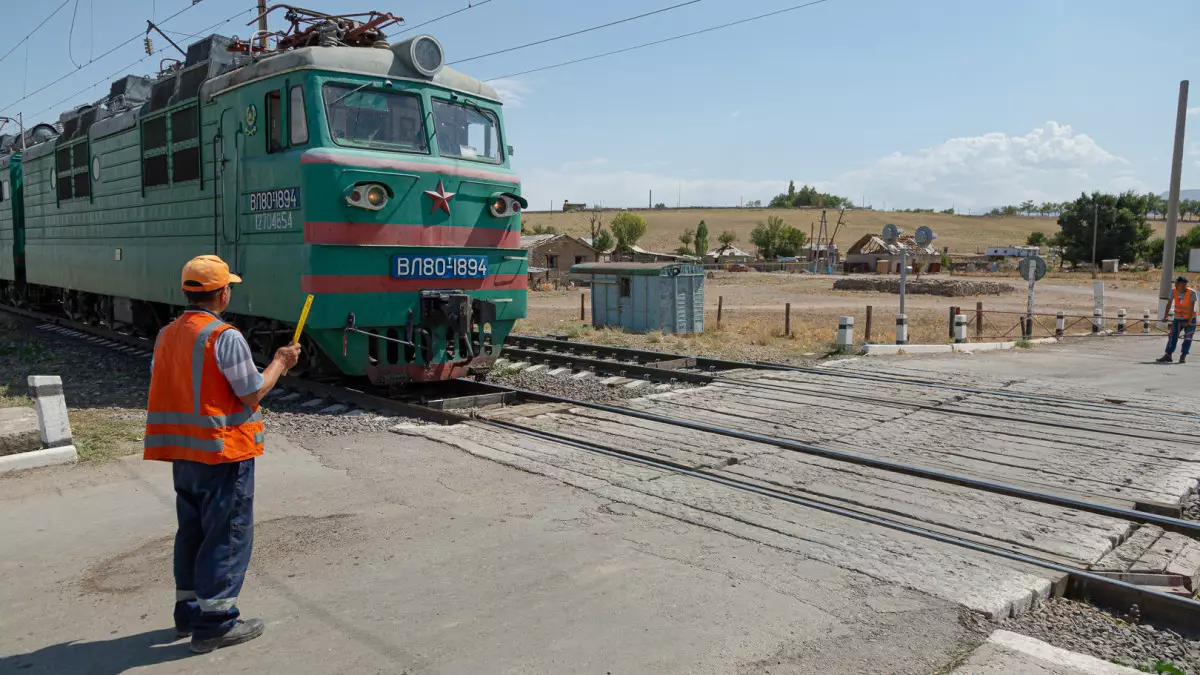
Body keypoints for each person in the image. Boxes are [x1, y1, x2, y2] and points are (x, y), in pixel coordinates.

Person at [144, 255, 301, 653]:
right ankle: (216, 622)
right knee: (227, 533)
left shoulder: (167, 335)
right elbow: (251, 390)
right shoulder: (223, 336)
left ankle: (189, 611)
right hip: (222, 451)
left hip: (183, 451)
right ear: (224, 292)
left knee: (193, 531)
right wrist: (281, 362)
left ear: (187, 291)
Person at [1158, 275, 1197, 364]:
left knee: (1188, 338)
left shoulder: (1192, 293)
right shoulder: (1173, 291)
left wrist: (1189, 321)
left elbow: (1192, 308)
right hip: (1178, 319)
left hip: (1190, 319)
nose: (1175, 285)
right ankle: (1168, 355)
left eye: (1176, 283)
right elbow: (1169, 304)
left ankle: (1183, 355)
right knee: (1172, 336)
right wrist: (1165, 316)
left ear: (1183, 284)